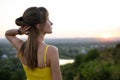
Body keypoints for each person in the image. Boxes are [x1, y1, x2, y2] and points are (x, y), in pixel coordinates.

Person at [5, 6, 62, 80]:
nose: (51, 23)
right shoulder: (51, 51)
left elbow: (8, 34)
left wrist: (20, 31)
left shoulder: (22, 47)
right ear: (39, 26)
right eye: (48, 19)